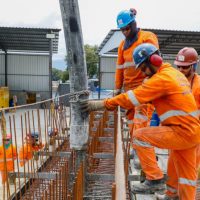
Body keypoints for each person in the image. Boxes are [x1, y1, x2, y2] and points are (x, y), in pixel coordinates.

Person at [80, 43, 200, 200]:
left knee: (139, 135)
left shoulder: (162, 78)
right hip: (191, 133)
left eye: (143, 68)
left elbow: (131, 97)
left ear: (155, 60)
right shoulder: (171, 73)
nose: (143, 73)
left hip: (181, 132)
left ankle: (155, 177)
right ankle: (173, 196)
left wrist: (101, 104)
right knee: (185, 176)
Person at [155, 47, 200, 200]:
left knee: (188, 172)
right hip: (177, 132)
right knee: (172, 166)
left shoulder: (199, 85)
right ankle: (171, 195)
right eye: (178, 66)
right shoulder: (173, 81)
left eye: (185, 67)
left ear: (194, 66)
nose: (181, 69)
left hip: (194, 135)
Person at [115, 9, 159, 162]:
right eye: (122, 30)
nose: (125, 32)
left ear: (134, 23)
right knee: (131, 120)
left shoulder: (147, 37)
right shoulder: (122, 45)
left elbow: (154, 63)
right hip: (129, 90)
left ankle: (142, 153)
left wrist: (150, 83)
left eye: (127, 28)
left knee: (141, 121)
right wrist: (117, 89)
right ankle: (137, 148)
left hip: (144, 88)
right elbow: (120, 68)